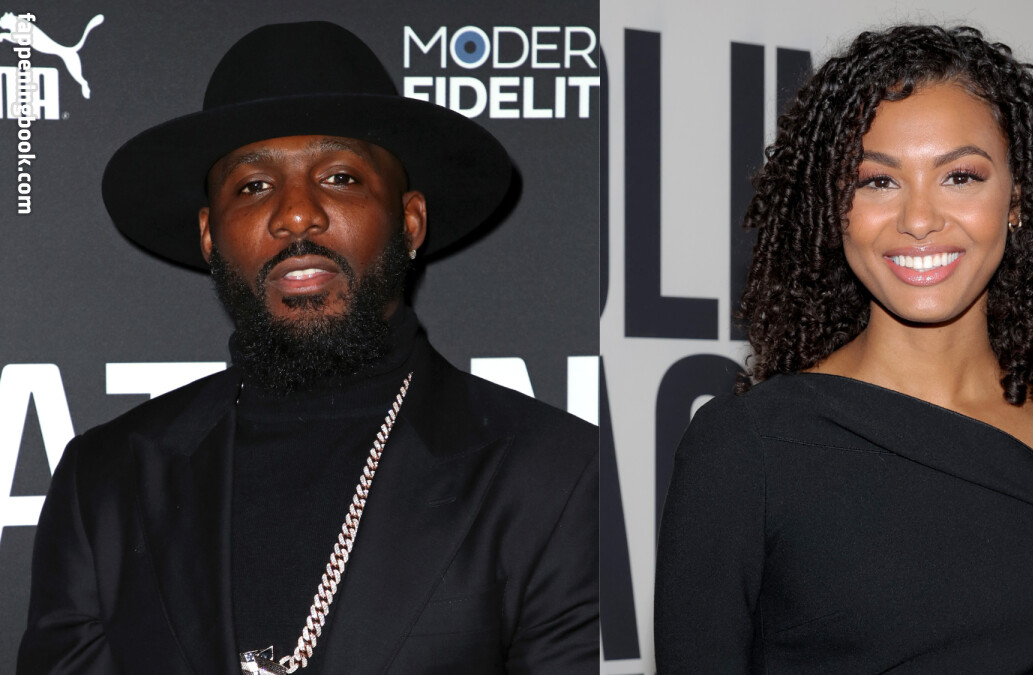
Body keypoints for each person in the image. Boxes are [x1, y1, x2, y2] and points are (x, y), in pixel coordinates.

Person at [18, 21, 598, 674]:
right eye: (253, 186)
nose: (297, 214)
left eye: (341, 177)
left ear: (410, 222)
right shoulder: (105, 482)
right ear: (209, 235)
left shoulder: (553, 475)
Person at [655, 25, 1033, 674]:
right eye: (878, 182)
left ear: (1017, 201)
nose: (919, 219)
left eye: (960, 176)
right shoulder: (745, 446)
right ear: (834, 208)